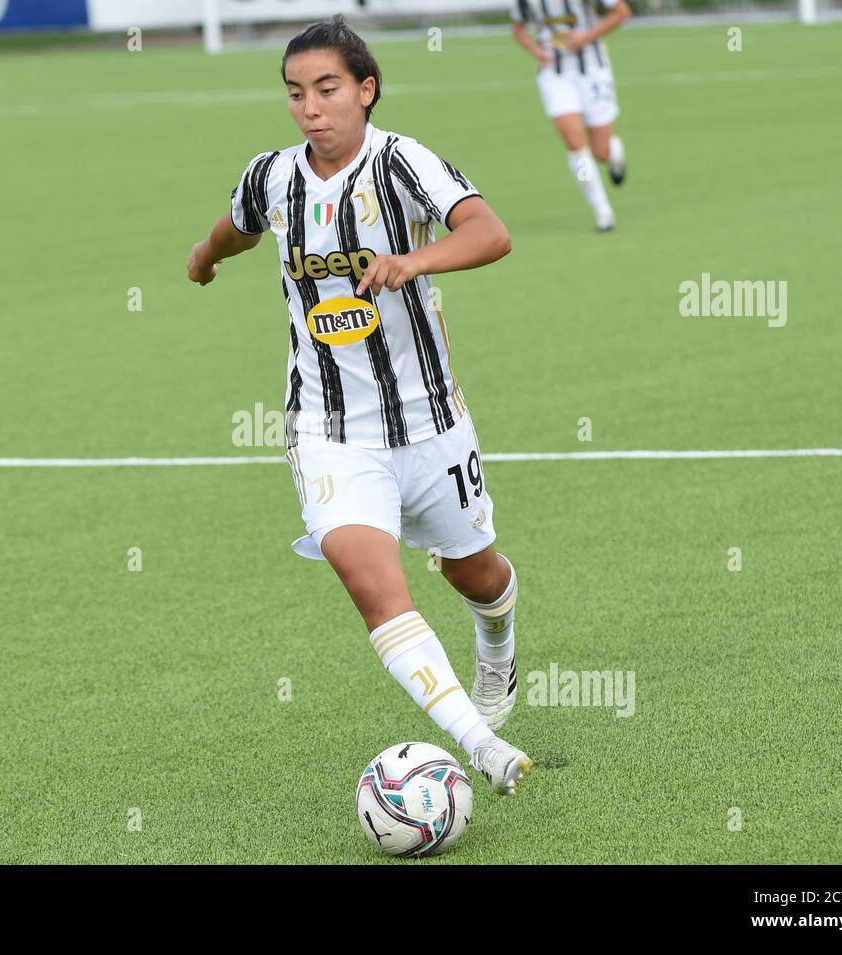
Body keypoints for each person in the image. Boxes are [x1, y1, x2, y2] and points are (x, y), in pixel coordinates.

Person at [187, 16, 533, 796]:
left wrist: (413, 260)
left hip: (430, 420)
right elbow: (235, 228)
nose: (310, 107)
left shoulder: (401, 162)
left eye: (327, 89)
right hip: (328, 425)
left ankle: (498, 640)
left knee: (473, 571)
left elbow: (491, 231)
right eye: (295, 93)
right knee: (365, 571)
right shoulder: (272, 177)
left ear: (366, 90)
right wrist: (203, 257)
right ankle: (479, 744)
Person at [509, 0, 632, 231]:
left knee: (601, 152)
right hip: (555, 76)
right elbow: (518, 29)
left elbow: (621, 12)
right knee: (575, 144)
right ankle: (603, 211)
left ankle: (614, 153)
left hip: (594, 71)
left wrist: (586, 37)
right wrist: (538, 52)